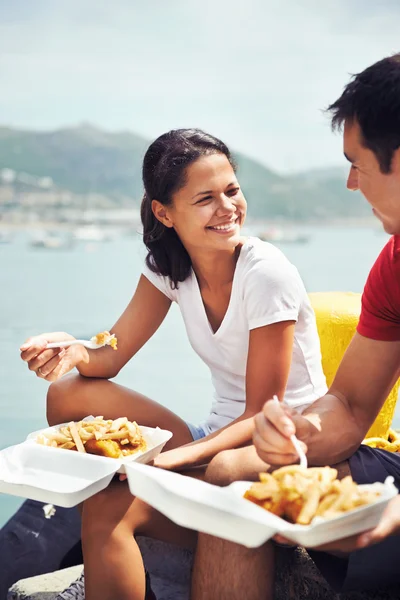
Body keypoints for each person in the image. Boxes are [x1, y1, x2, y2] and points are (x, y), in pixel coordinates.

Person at [20, 128, 327, 600]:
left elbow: (261, 412)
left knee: (107, 507)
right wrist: (75, 351)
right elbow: (111, 355)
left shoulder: (267, 274)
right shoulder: (169, 265)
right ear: (165, 213)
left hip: (271, 453)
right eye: (205, 198)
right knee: (68, 392)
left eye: (232, 190)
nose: (227, 208)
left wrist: (166, 461)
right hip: (213, 439)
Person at [192, 54, 400, 599]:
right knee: (235, 472)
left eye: (357, 163)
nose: (350, 183)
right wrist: (300, 434)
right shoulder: (394, 266)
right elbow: (352, 404)